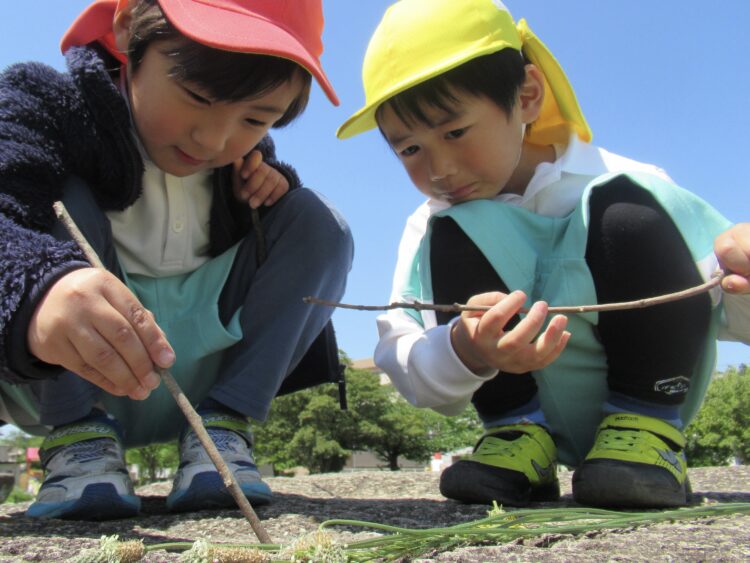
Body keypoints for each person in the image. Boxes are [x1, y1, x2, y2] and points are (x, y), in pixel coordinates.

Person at [338, 0, 750, 509]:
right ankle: (517, 434)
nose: (439, 168)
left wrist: (741, 277)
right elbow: (401, 350)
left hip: (650, 412)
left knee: (625, 211)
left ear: (527, 95)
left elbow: (721, 316)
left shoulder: (631, 183)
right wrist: (466, 348)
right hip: (515, 421)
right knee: (456, 229)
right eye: (409, 149)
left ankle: (647, 427)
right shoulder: (432, 223)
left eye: (455, 132)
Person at [0, 0, 353, 520]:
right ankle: (78, 439)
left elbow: (290, 247)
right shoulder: (45, 104)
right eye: (197, 96)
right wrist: (39, 287)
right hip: (66, 372)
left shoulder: (249, 161)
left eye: (255, 118)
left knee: (318, 222)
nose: (213, 139)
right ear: (127, 28)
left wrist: (269, 195)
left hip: (206, 378)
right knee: (57, 196)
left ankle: (225, 427)